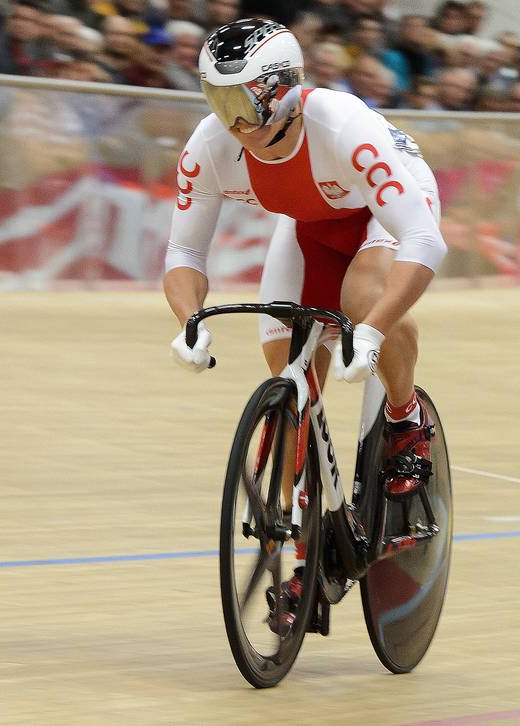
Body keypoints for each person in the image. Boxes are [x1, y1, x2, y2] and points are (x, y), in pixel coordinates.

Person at [163, 18, 447, 630]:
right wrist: (189, 320)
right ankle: (312, 557)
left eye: (241, 101)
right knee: (284, 365)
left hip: (386, 213)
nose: (229, 120)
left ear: (283, 90)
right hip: (312, 224)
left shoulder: (341, 125)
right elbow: (184, 255)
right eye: (217, 99)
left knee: (361, 295)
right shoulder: (211, 146)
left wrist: (367, 329)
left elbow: (423, 238)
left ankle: (403, 421)